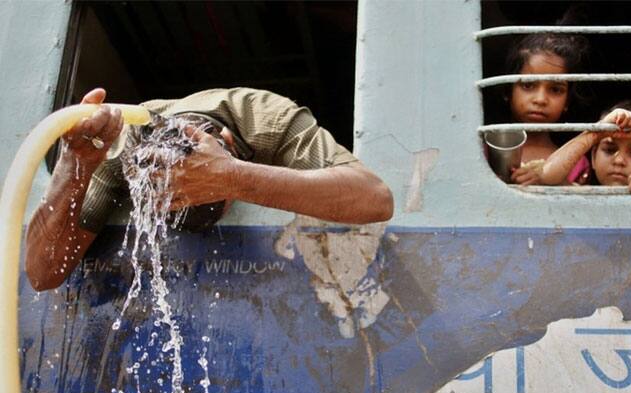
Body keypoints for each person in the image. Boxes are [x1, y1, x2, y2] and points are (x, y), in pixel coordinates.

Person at [26, 88, 394, 291]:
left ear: (230, 142)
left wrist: (231, 176)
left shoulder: (267, 117)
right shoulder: (125, 152)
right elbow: (43, 274)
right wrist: (74, 163)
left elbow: (375, 198)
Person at [498, 33, 591, 185]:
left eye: (555, 89)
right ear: (508, 90)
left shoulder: (575, 161)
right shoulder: (483, 153)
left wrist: (551, 182)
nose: (540, 99)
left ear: (567, 101)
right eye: (528, 85)